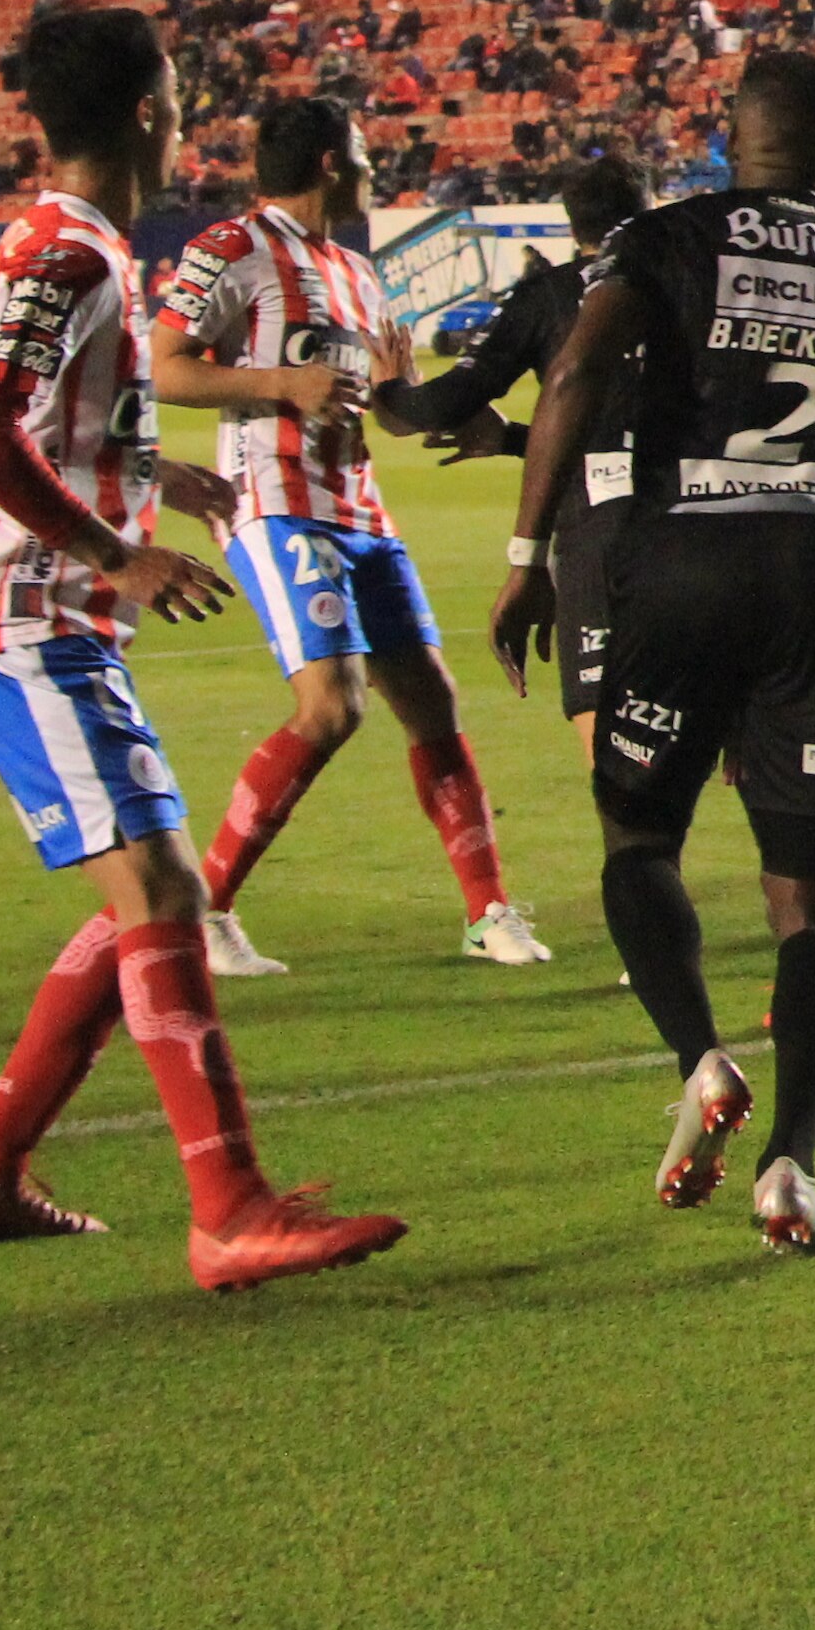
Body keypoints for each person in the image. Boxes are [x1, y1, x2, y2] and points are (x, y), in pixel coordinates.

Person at [0, 3, 406, 1290]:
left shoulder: (84, 248)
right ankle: (228, 1208)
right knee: (169, 893)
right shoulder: (72, 254)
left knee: (138, 903)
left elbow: (47, 418)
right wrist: (117, 551)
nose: (188, 112)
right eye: (179, 90)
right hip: (24, 620)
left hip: (54, 619)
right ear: (147, 111)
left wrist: (154, 474)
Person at [488, 48, 815, 1256]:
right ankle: (792, 1167)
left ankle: (698, 1059)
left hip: (682, 552)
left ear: (731, 140)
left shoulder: (671, 234)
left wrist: (529, 554)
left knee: (637, 832)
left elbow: (577, 369)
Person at [149, 93, 547, 976]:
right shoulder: (232, 249)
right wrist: (282, 386)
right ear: (332, 160)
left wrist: (412, 402)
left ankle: (487, 910)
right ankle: (205, 910)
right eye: (364, 150)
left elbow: (372, 404)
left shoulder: (357, 272)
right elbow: (163, 366)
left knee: (433, 702)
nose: (374, 166)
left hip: (360, 505)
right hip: (276, 501)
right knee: (332, 705)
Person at [379, 154, 652, 747]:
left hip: (602, 538)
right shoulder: (693, 286)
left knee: (620, 767)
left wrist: (391, 385)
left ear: (571, 225)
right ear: (647, 210)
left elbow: (440, 406)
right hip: (710, 527)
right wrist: (508, 439)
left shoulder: (550, 297)